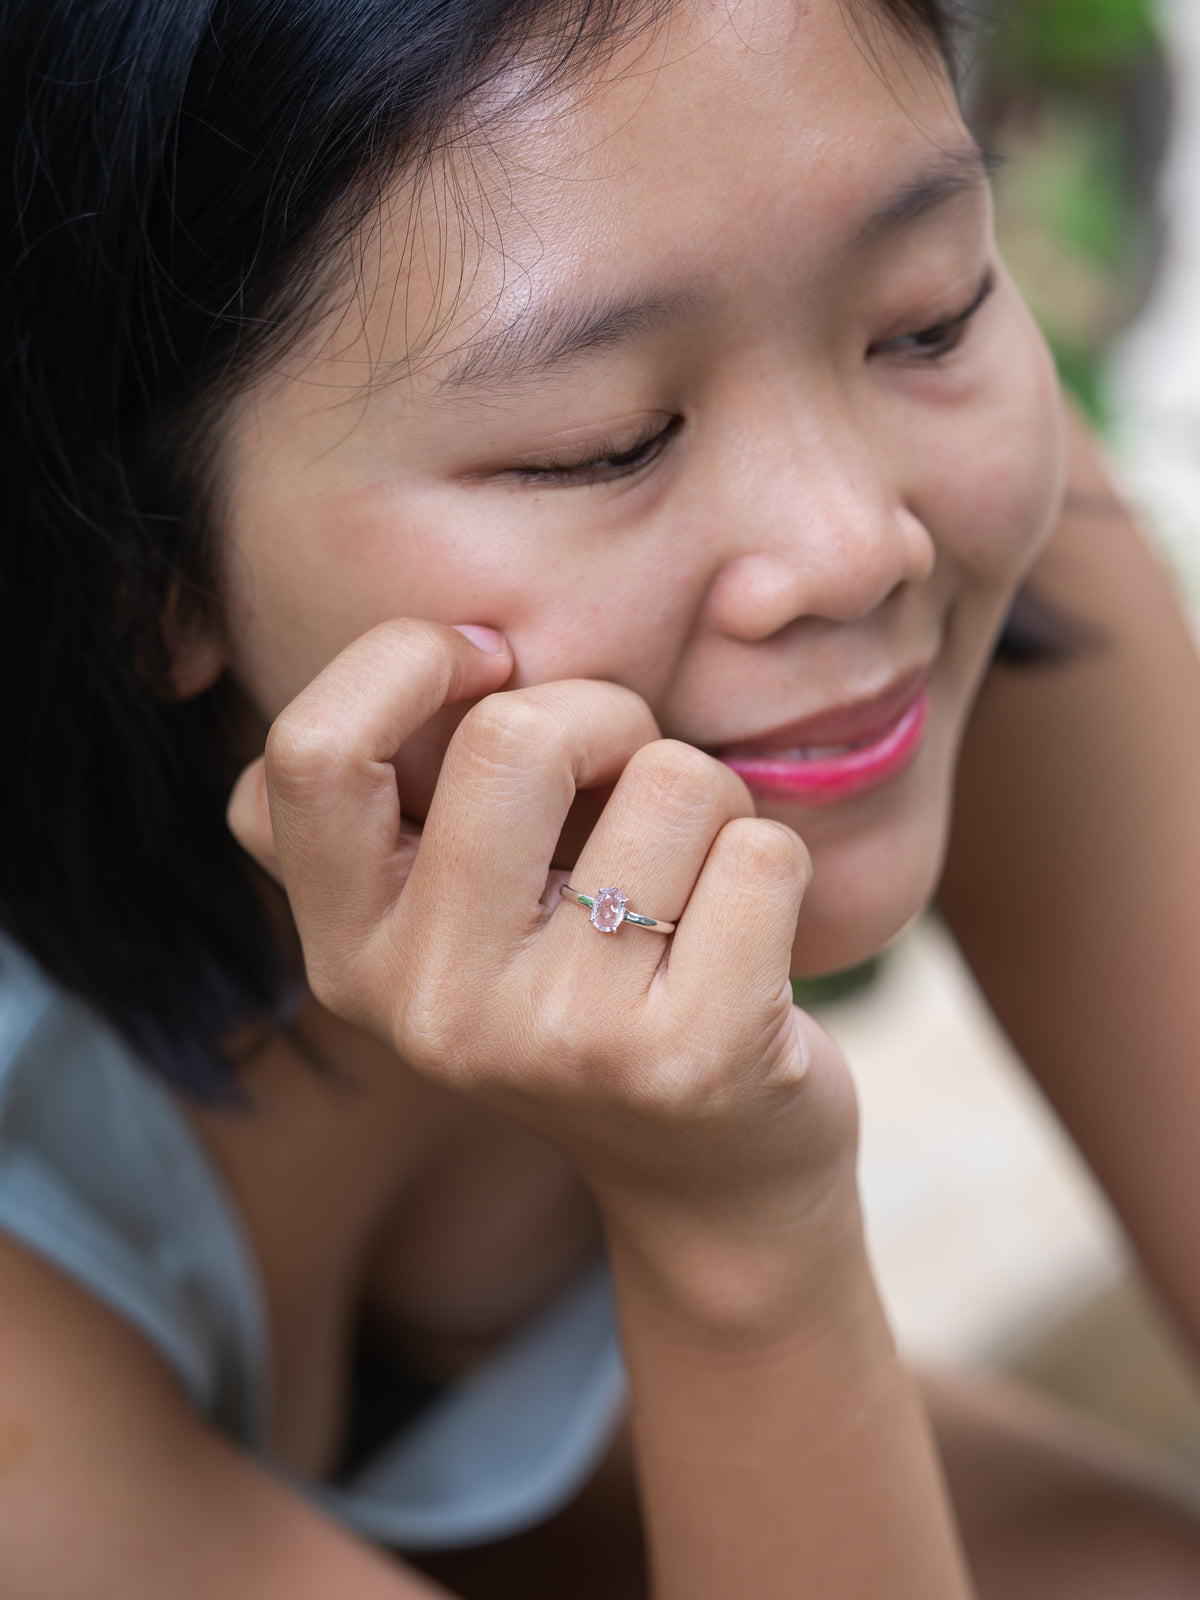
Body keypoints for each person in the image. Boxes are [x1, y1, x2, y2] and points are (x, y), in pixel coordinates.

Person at [2, 0, 1200, 1595]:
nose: (857, 547)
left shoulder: (960, 529)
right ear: (139, 565)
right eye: (606, 446)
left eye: (927, 316)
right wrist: (734, 1233)